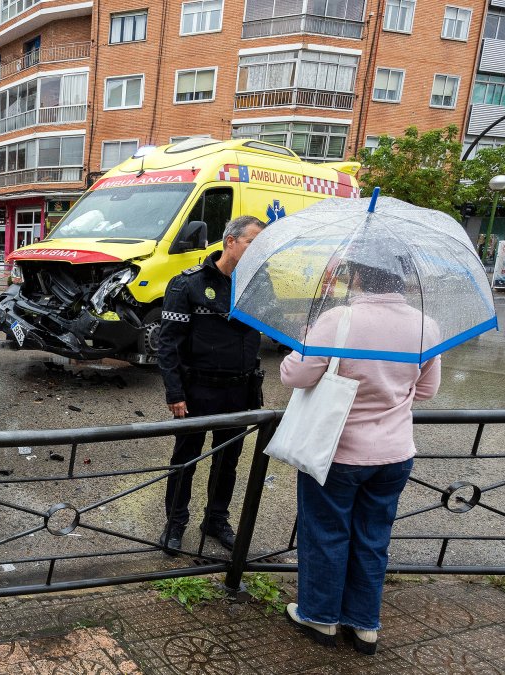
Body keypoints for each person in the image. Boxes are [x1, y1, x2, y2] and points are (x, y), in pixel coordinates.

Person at [280, 262, 441, 655]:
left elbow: (296, 377)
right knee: (373, 538)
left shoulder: (339, 319)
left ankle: (320, 616)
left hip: (338, 452)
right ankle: (364, 624)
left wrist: (300, 346)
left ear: (358, 277)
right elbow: (427, 391)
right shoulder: (427, 325)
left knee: (326, 533)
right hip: (395, 454)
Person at [156, 215, 266, 554]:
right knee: (185, 460)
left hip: (239, 390)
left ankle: (216, 519)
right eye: (252, 242)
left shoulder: (258, 284)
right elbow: (168, 343)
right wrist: (174, 392)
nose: (257, 250)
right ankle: (175, 522)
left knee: (228, 462)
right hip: (197, 391)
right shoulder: (187, 284)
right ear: (230, 242)